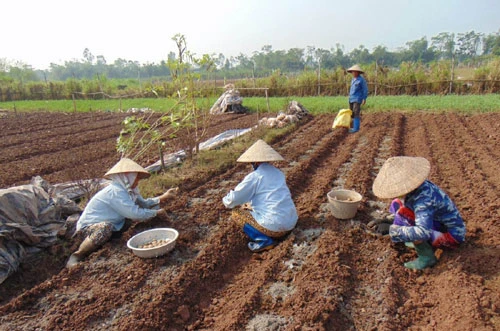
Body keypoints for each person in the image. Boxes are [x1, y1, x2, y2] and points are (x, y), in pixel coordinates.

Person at [66, 158, 178, 268]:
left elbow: (143, 204)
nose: (137, 181)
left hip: (112, 224)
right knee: (105, 228)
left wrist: (164, 196)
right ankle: (78, 255)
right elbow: (135, 214)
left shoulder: (130, 191)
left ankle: (110, 241)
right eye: (136, 178)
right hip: (89, 228)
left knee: (125, 222)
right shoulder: (116, 192)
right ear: (127, 177)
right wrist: (155, 213)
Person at [372, 156, 466, 270]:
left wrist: (391, 230)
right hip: (436, 223)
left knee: (407, 219)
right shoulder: (418, 189)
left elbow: (422, 232)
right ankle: (417, 241)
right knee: (397, 203)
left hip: (451, 235)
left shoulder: (423, 200)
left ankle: (426, 257)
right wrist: (389, 220)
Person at [222, 140, 298, 252]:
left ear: (255, 162)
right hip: (291, 223)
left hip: (275, 226)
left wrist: (225, 200)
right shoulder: (278, 173)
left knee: (236, 214)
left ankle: (263, 241)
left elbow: (234, 199)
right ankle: (276, 233)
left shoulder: (255, 176)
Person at [347, 64, 368, 133]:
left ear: (358, 72)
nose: (353, 73)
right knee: (351, 113)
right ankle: (351, 126)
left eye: (354, 72)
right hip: (351, 98)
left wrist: (364, 98)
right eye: (352, 72)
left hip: (357, 98)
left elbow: (365, 89)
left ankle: (356, 129)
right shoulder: (353, 79)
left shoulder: (361, 80)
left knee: (356, 113)